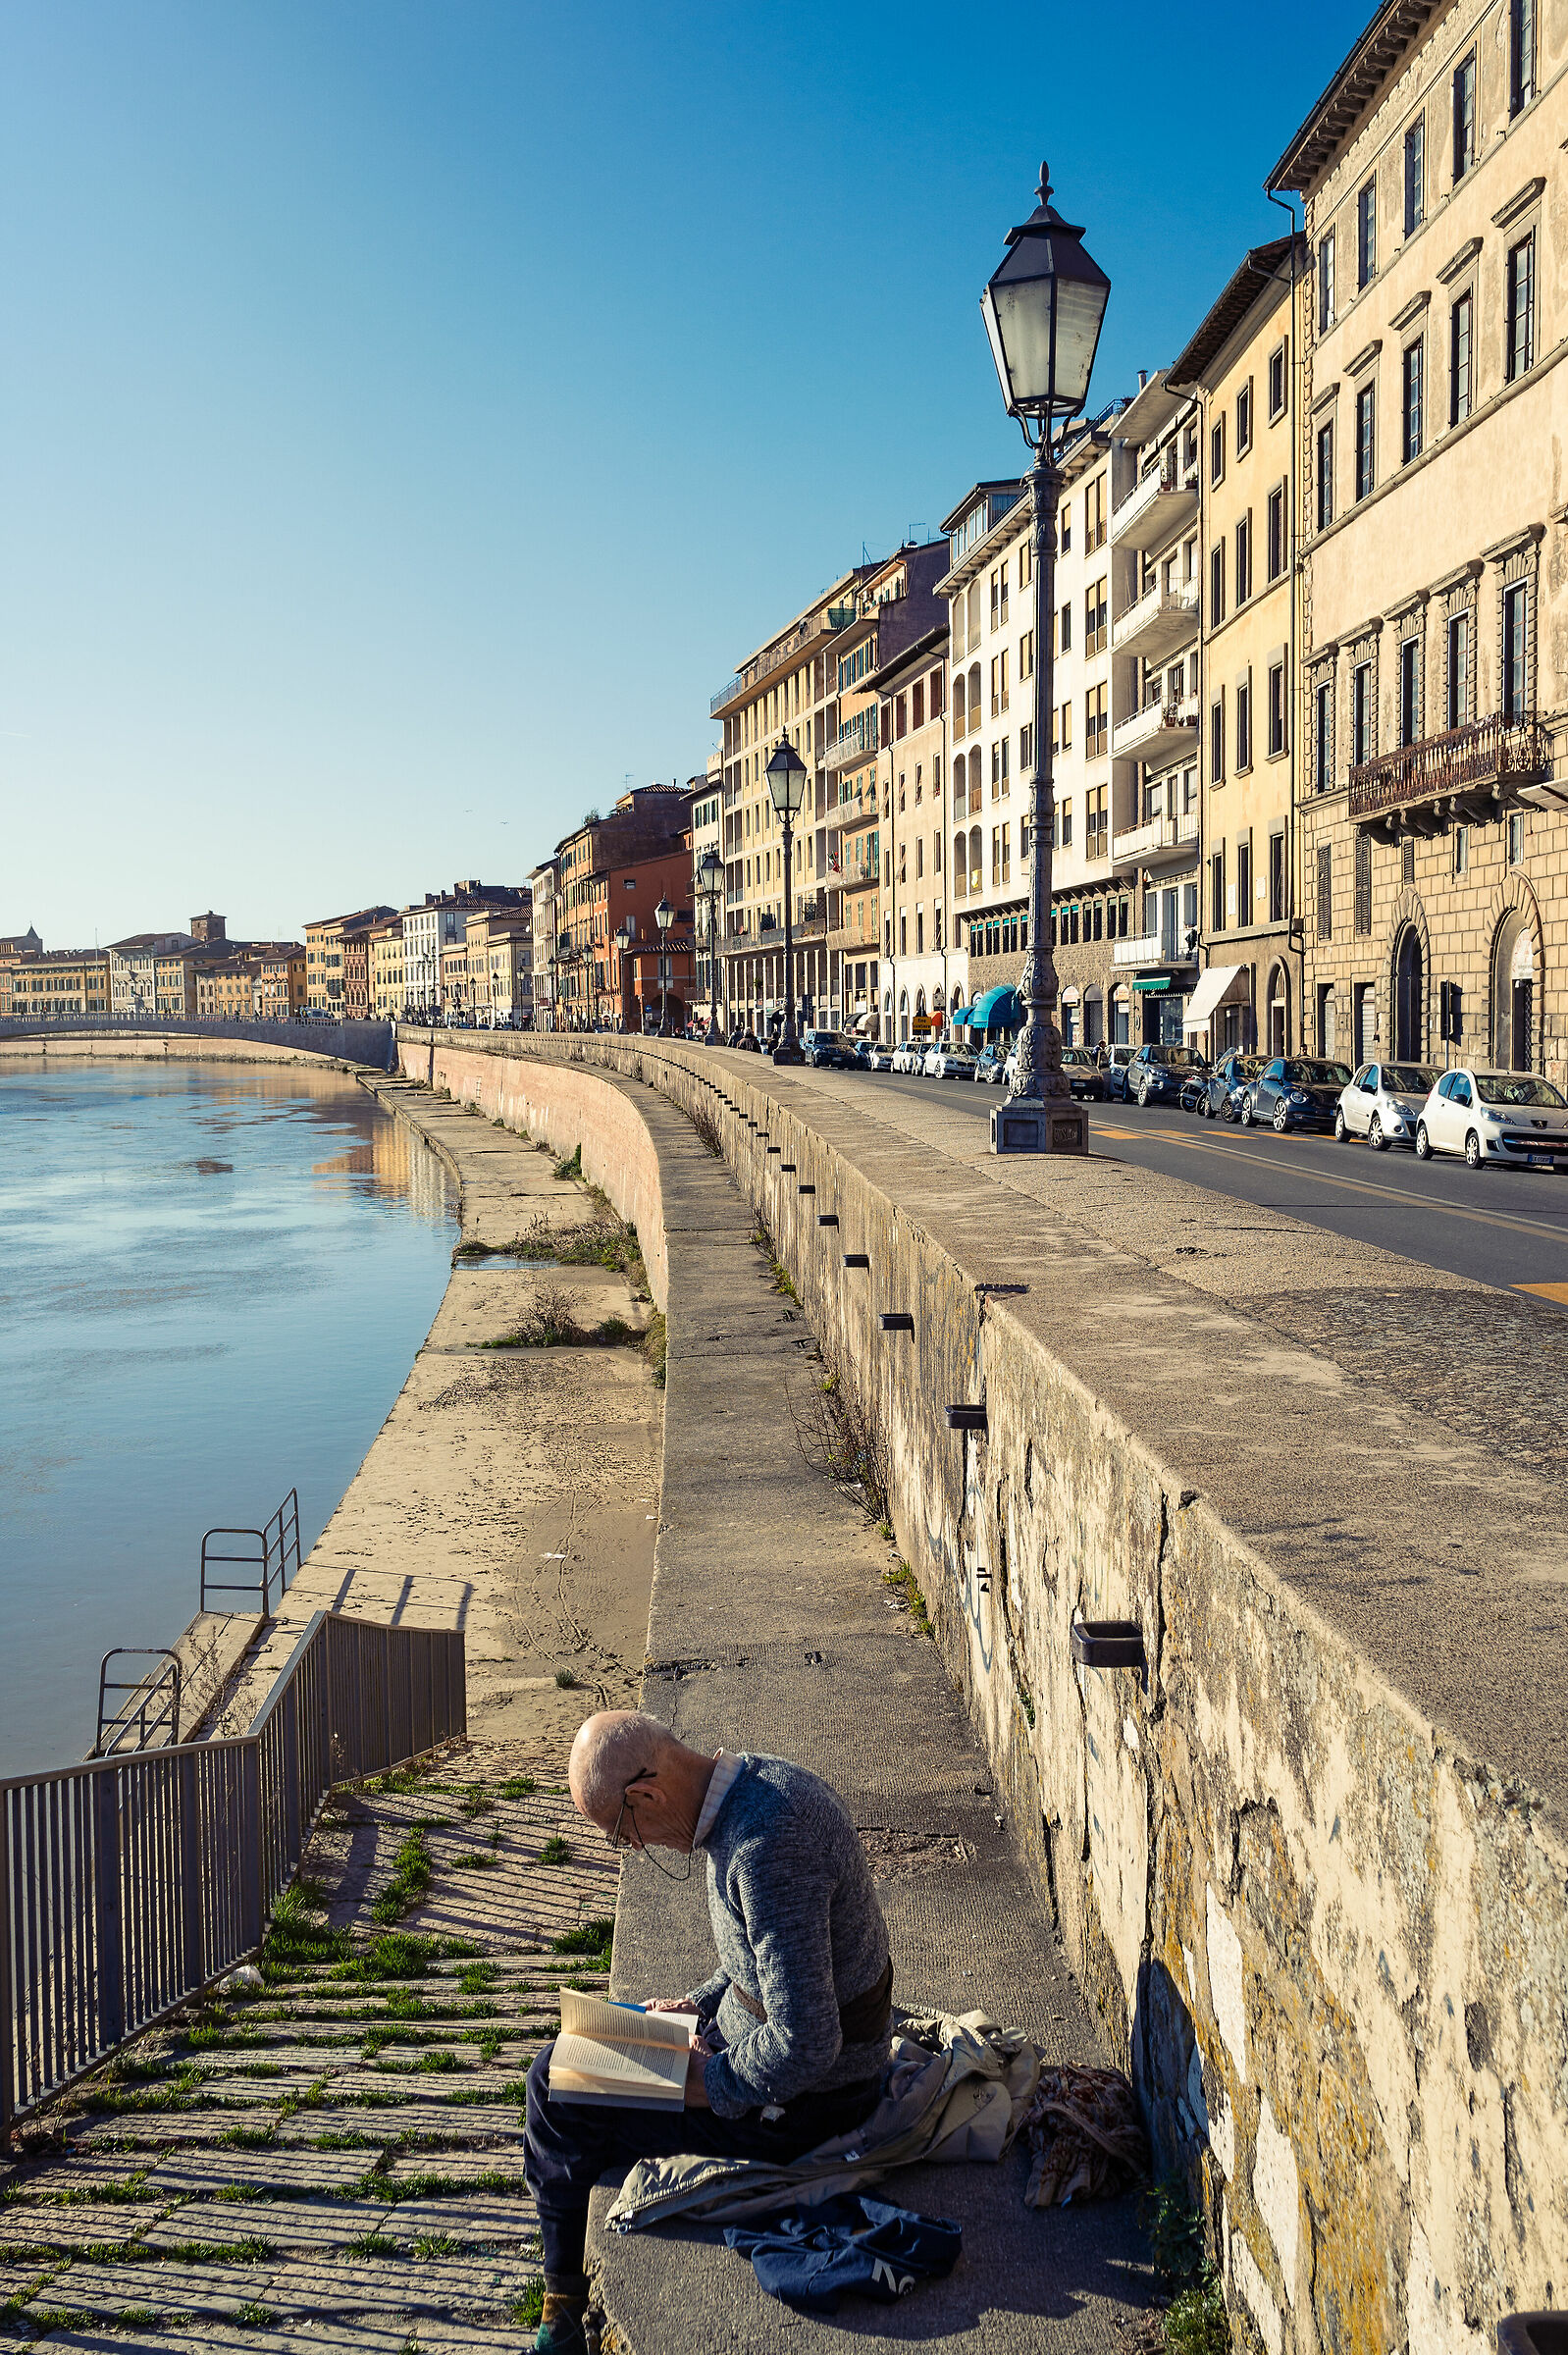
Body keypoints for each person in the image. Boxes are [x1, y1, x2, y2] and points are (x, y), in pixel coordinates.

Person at [523, 1710, 893, 2355]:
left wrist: (703, 2083)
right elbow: (757, 1956)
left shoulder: (765, 1848)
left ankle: (561, 2310)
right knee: (574, 2056)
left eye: (620, 1832)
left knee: (558, 2089)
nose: (632, 1848)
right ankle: (568, 2254)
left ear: (645, 1794)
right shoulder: (759, 1788)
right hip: (746, 2045)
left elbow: (808, 2044)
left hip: (812, 2102)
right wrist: (697, 2006)